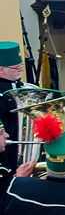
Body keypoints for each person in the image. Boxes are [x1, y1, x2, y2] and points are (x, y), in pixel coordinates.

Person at [0, 42, 27, 173]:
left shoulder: (20, 85)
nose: (21, 69)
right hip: (8, 147)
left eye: (21, 65)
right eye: (17, 68)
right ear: (1, 69)